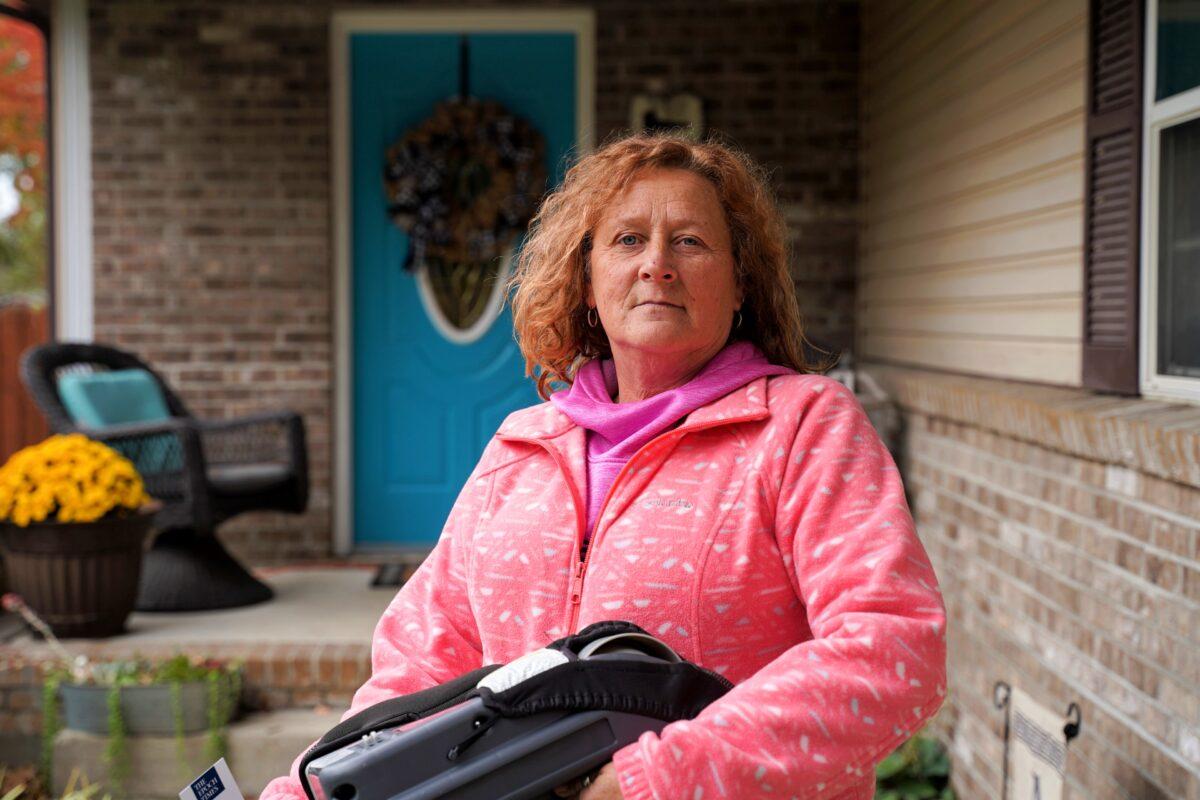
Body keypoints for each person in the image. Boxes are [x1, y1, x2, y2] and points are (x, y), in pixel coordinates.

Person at [261, 132, 947, 800]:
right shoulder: (520, 447)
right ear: (588, 283)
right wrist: (315, 787)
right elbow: (420, 666)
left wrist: (658, 781)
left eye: (690, 241)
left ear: (741, 285)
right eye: (627, 240)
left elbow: (893, 647)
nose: (657, 263)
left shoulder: (801, 427)